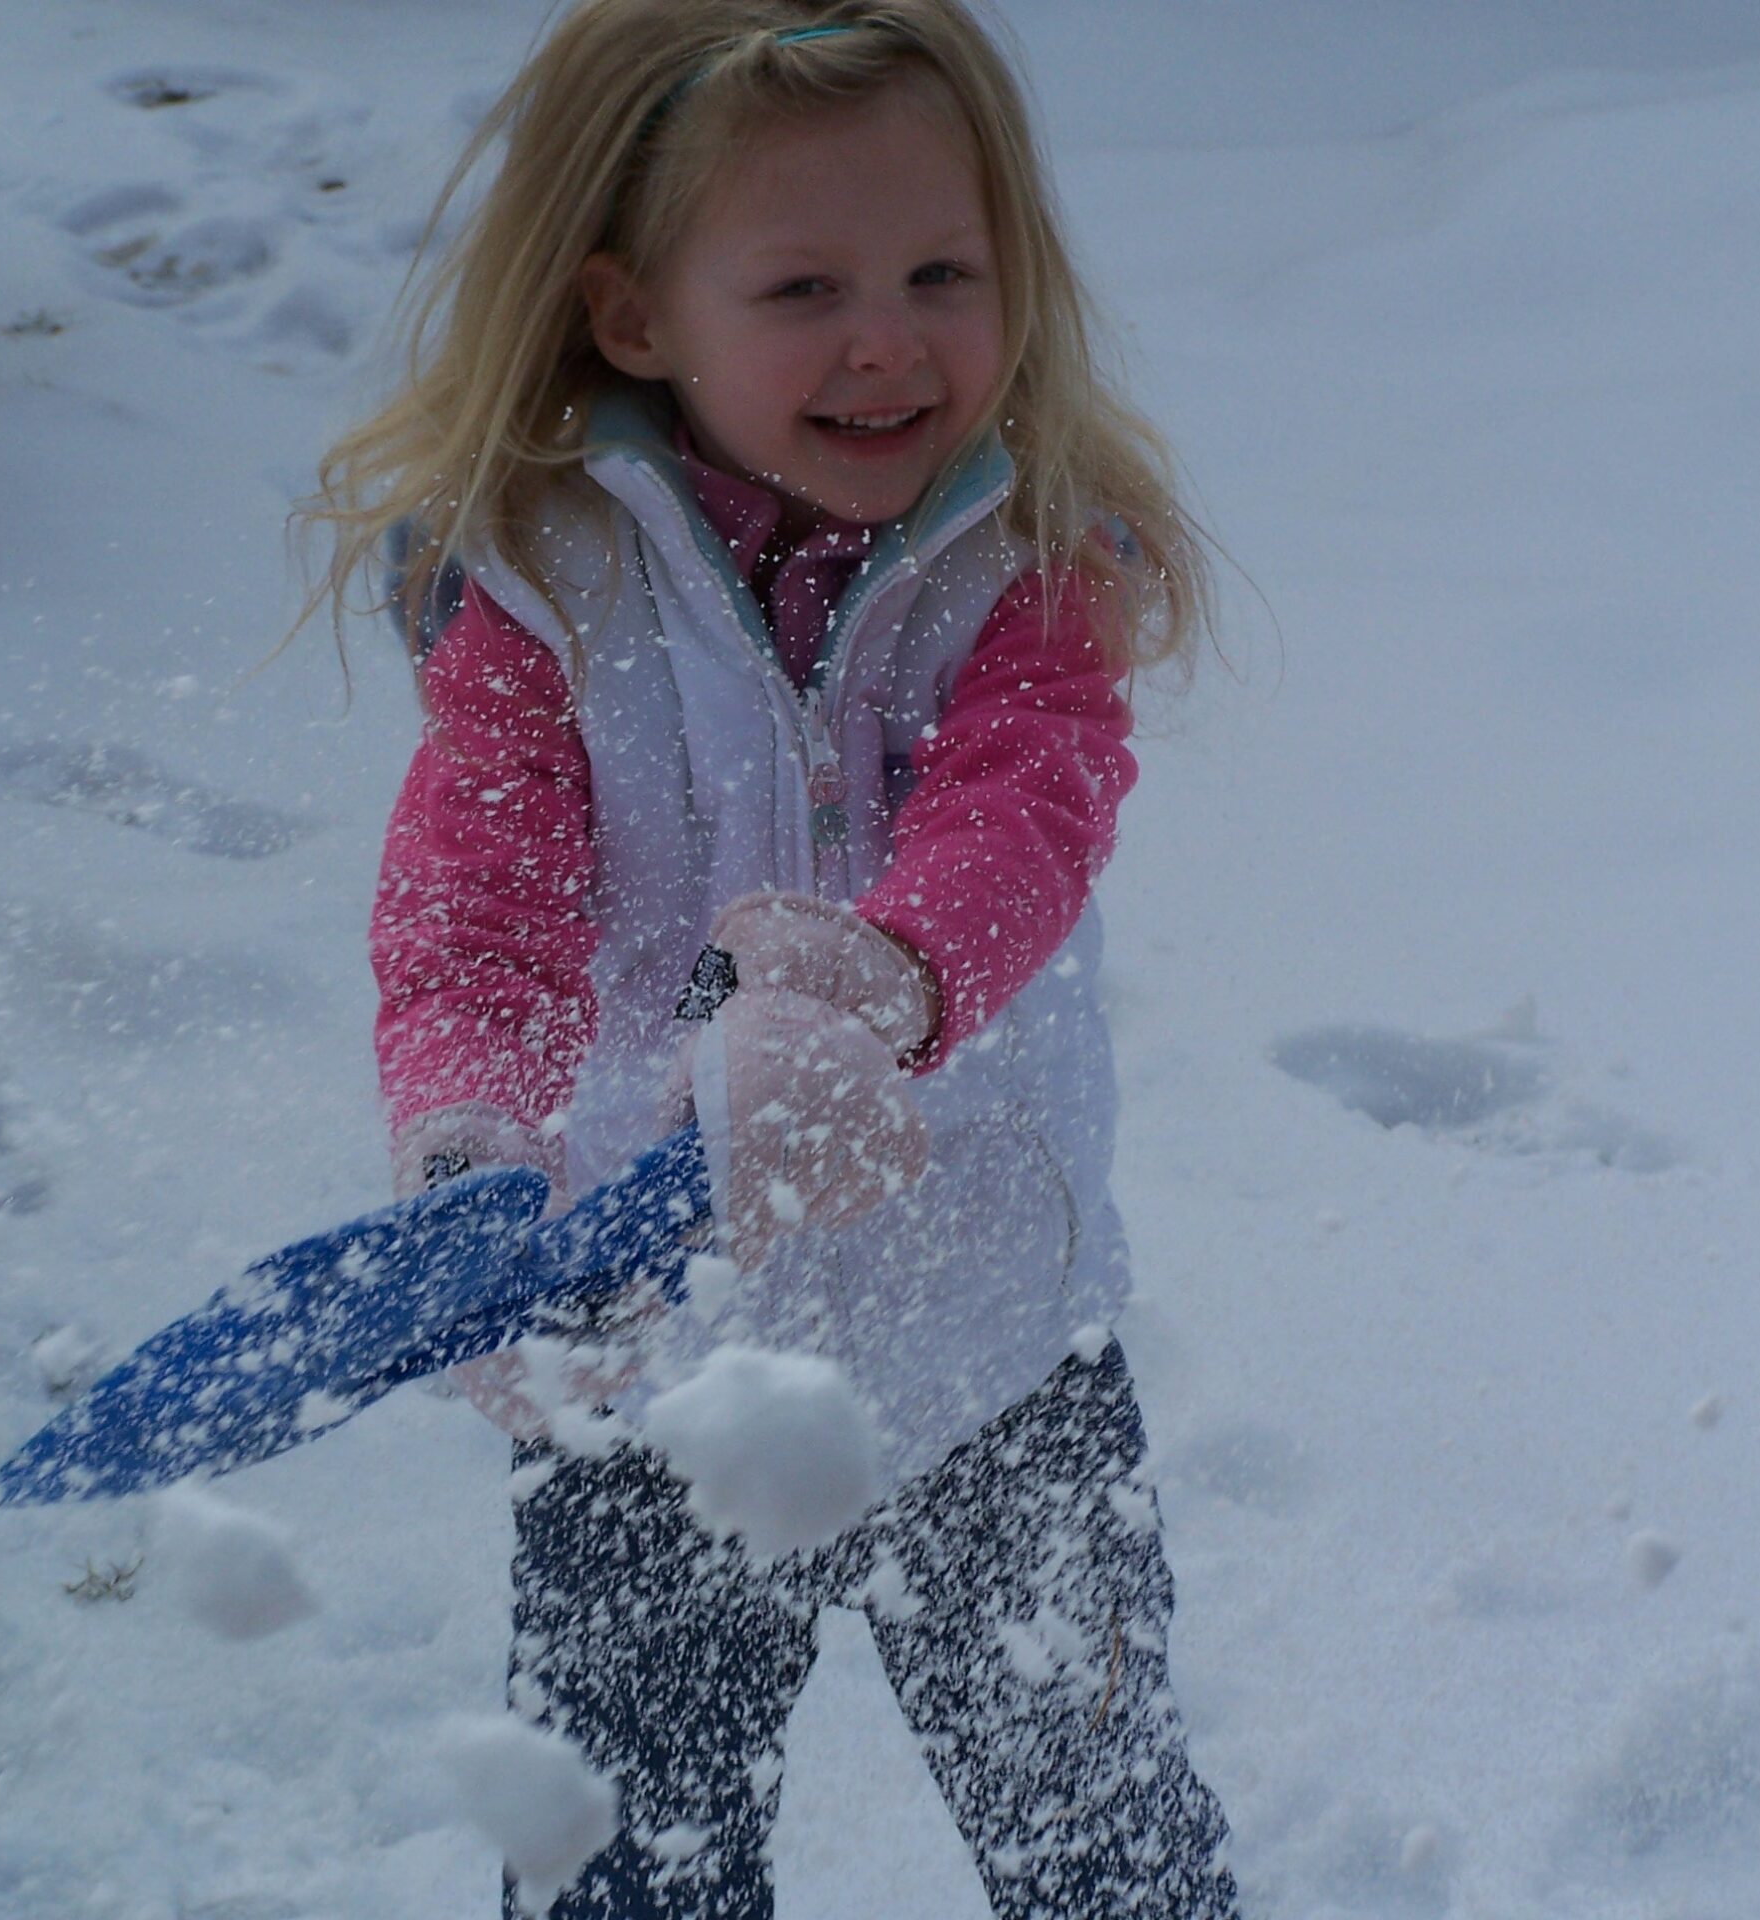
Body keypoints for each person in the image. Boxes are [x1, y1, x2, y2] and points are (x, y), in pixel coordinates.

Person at [303, 3, 1239, 1913]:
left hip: (993, 1355)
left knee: (1109, 1857)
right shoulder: (542, 585)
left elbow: (1026, 815)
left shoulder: (1032, 557)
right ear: (636, 316)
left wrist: (871, 990)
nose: (887, 337)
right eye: (804, 284)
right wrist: (475, 1160)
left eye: (940, 272)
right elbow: (476, 906)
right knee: (619, 1869)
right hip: (653, 1358)